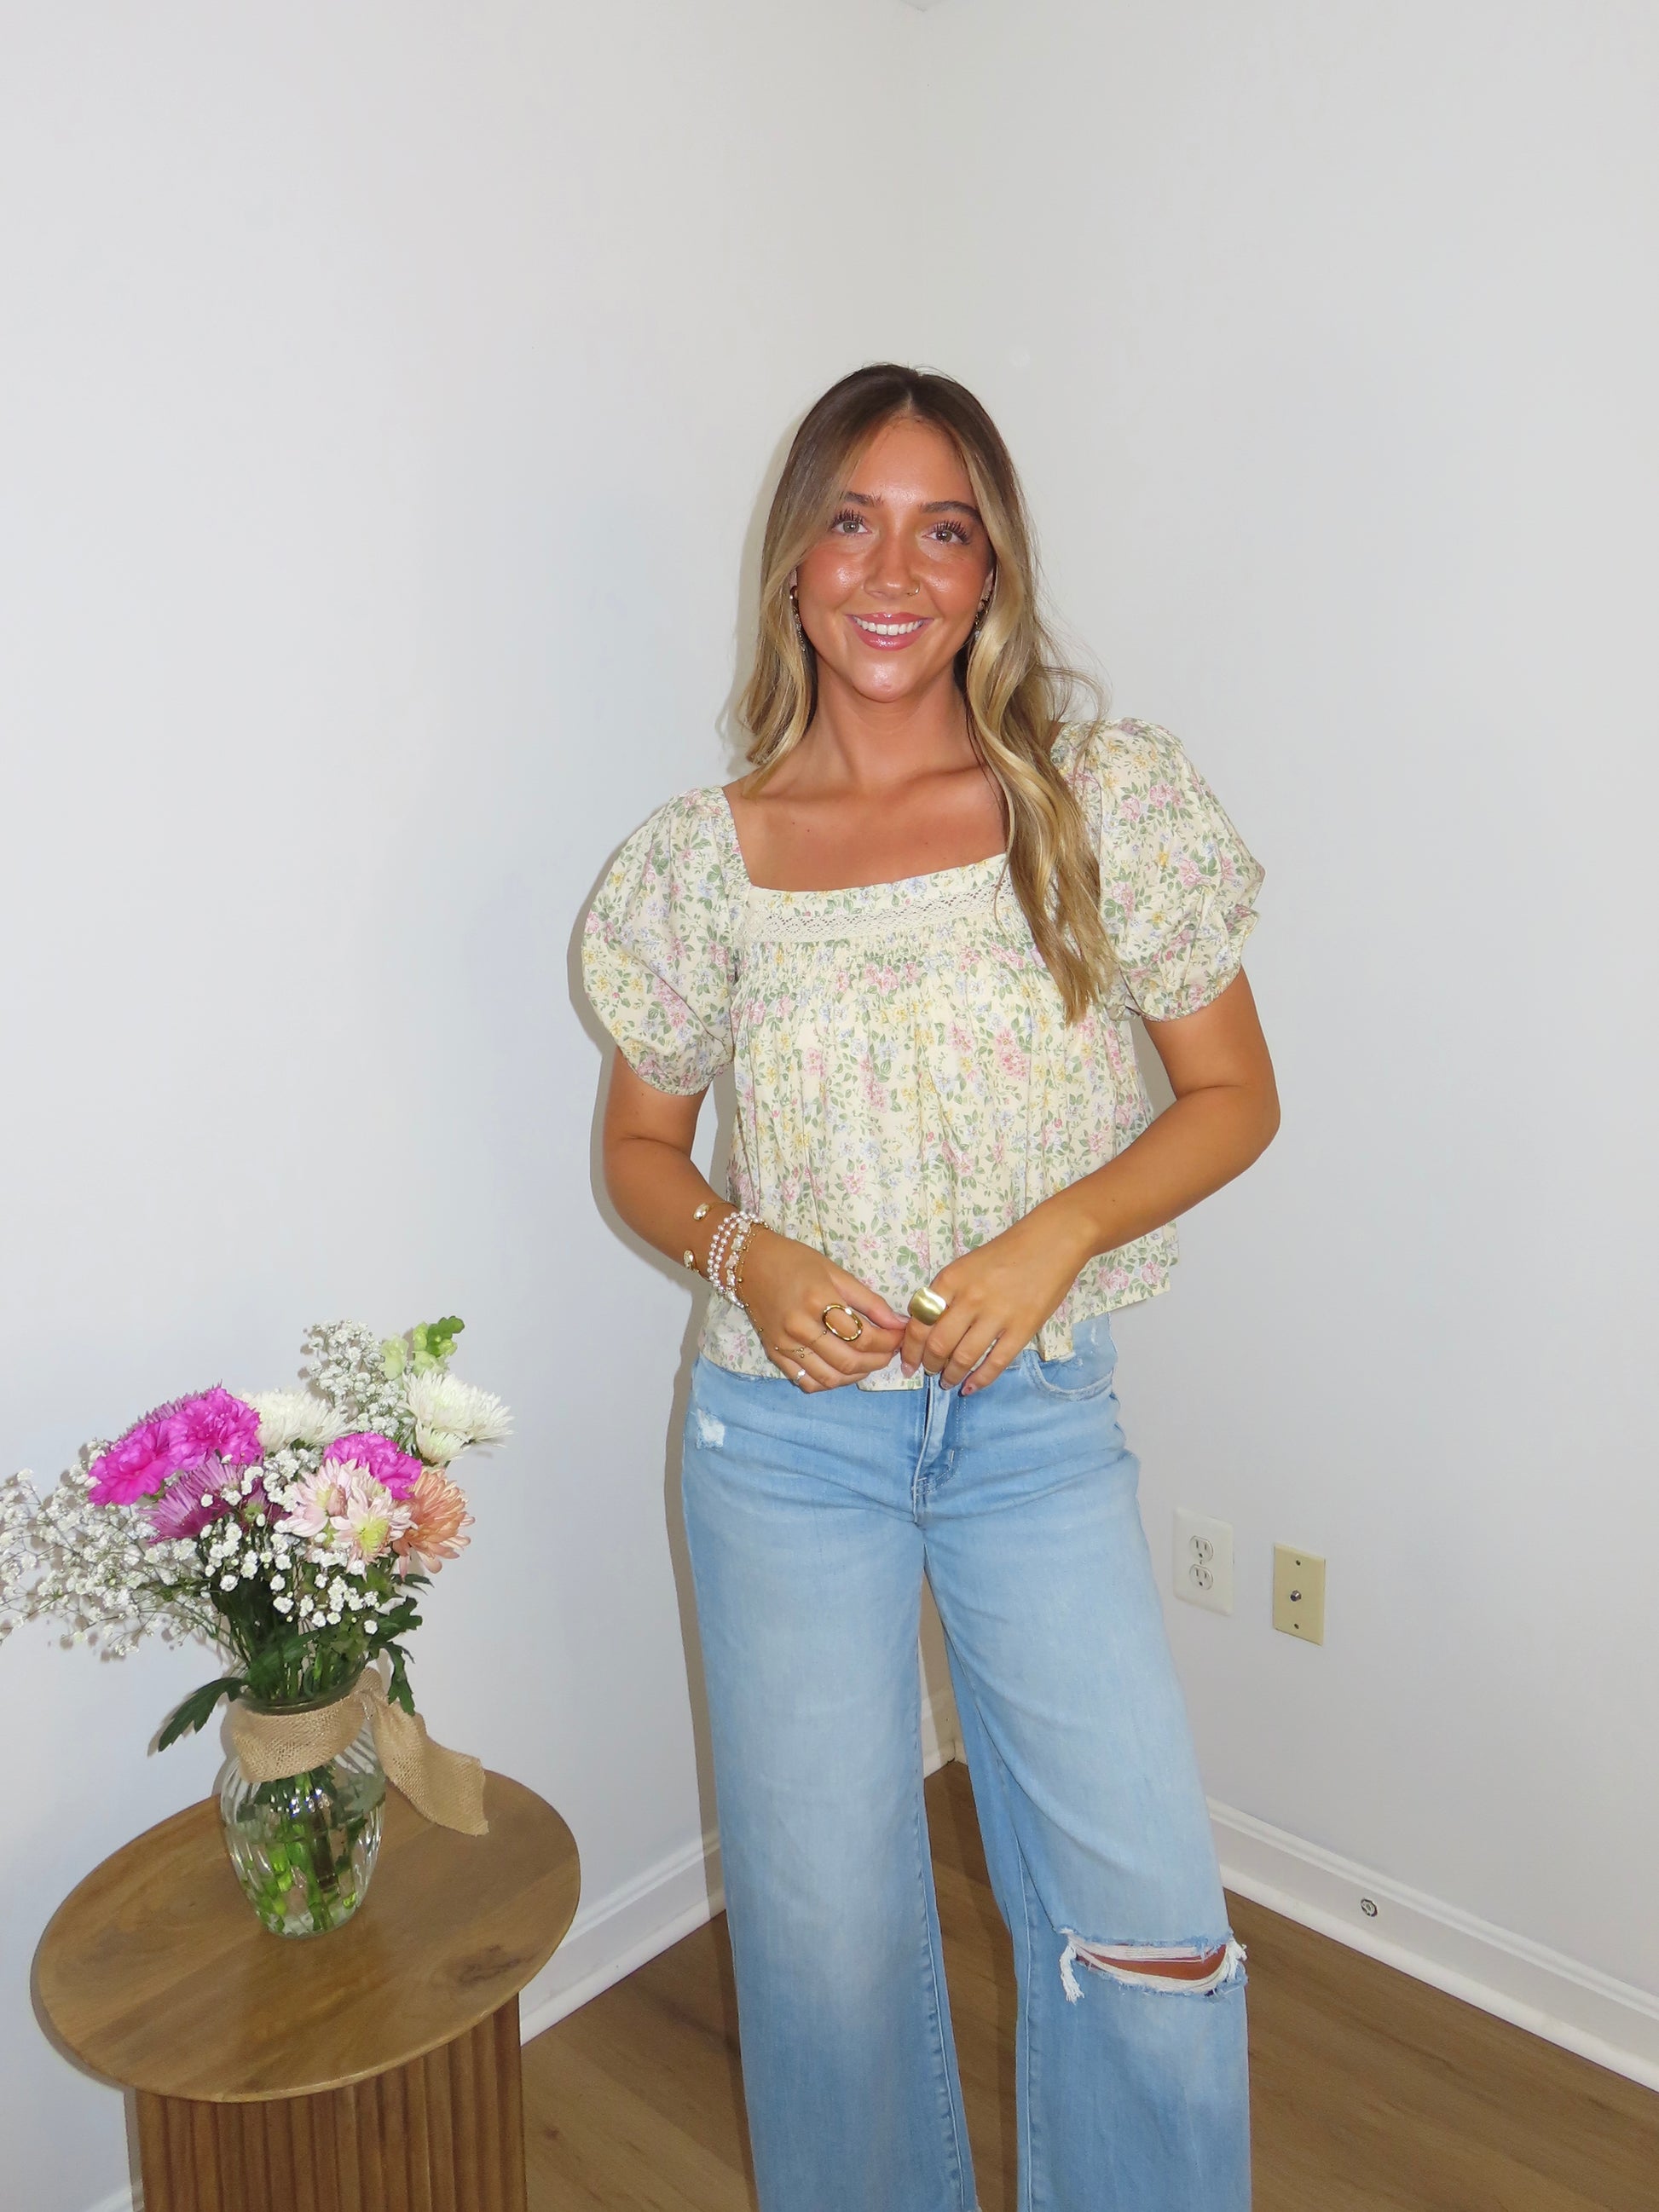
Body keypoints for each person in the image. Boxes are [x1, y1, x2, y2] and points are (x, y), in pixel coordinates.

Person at [581, 362, 1278, 2212]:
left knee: (1147, 1920)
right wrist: (743, 1247)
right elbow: (639, 1148)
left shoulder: (1100, 798)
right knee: (821, 1951)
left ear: (991, 573)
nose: (893, 571)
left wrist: (1058, 1233)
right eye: (852, 521)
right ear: (793, 561)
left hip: (1032, 1430)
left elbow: (1232, 1097)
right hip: (778, 1450)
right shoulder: (695, 860)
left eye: (942, 530)